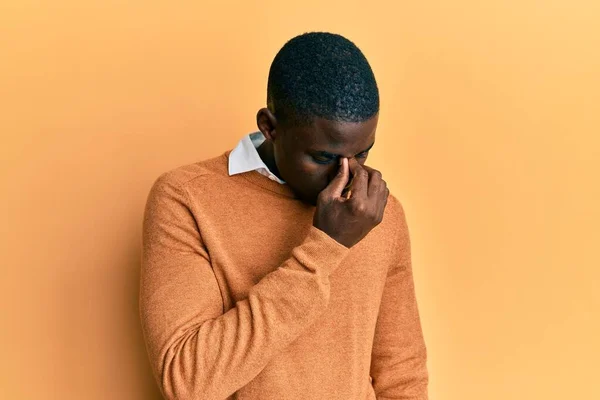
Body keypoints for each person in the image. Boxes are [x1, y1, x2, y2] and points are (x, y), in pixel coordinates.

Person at [140, 32, 428, 400]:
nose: (348, 176)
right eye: (324, 158)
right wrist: (325, 248)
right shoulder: (186, 199)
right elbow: (187, 381)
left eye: (363, 154)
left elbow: (401, 375)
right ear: (270, 127)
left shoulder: (377, 213)